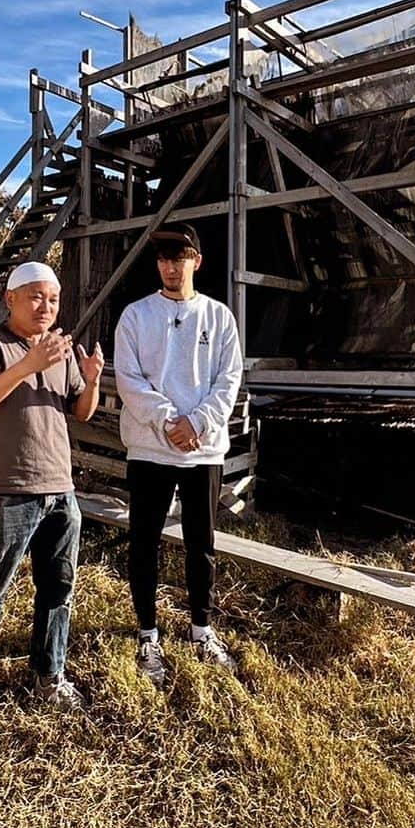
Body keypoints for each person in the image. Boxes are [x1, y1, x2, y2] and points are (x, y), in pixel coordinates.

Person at [0, 260, 104, 751]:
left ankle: (48, 676)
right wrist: (26, 366)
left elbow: (80, 411)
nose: (46, 306)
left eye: (53, 299)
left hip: (60, 489)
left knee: (58, 590)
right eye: (35, 296)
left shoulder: (59, 349)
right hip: (8, 490)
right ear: (11, 299)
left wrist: (92, 378)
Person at [113, 222, 243, 688]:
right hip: (151, 448)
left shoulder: (218, 317)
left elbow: (228, 381)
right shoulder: (135, 316)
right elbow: (129, 379)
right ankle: (148, 633)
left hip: (202, 451)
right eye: (164, 258)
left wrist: (198, 422)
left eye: (180, 256)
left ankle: (201, 628)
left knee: (200, 544)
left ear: (197, 261)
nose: (171, 265)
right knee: (144, 541)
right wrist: (169, 421)